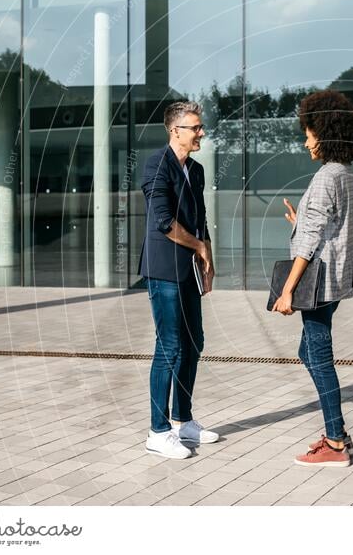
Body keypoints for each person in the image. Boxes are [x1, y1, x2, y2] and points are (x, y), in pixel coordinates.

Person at [272, 90, 353, 467]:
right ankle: (336, 431)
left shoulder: (327, 177)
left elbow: (311, 242)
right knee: (307, 352)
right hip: (335, 279)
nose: (305, 140)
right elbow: (329, 227)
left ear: (325, 132)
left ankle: (337, 442)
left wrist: (287, 290)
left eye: (309, 132)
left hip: (319, 282)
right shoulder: (344, 175)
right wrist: (299, 221)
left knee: (319, 356)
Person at [138, 100, 219, 459]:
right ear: (175, 131)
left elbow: (200, 218)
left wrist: (208, 259)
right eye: (195, 127)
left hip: (188, 269)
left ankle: (183, 421)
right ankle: (158, 431)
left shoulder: (196, 170)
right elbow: (164, 222)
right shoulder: (157, 164)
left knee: (194, 342)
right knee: (169, 346)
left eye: (201, 127)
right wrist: (199, 246)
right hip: (163, 269)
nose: (201, 132)